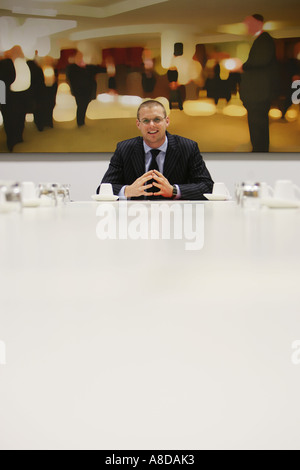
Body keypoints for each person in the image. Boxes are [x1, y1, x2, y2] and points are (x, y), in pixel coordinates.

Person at [98, 99, 214, 200]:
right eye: (146, 121)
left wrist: (174, 191)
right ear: (138, 124)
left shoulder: (188, 147)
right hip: (135, 218)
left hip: (176, 217)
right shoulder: (124, 149)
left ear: (167, 121)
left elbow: (207, 186)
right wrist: (127, 190)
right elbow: (102, 189)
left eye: (157, 119)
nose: (152, 125)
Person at [239, 14, 279, 152]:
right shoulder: (262, 40)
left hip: (258, 93)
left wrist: (242, 66)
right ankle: (260, 149)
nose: (247, 26)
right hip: (258, 92)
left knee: (258, 124)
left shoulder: (264, 40)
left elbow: (259, 62)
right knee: (258, 125)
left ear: (258, 23)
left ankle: (260, 152)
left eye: (249, 23)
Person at [66, 51, 106, 127]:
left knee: (84, 106)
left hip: (88, 91)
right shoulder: (72, 68)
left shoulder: (89, 67)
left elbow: (100, 69)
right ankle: (80, 123)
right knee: (81, 106)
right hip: (79, 91)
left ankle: (81, 121)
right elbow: (70, 78)